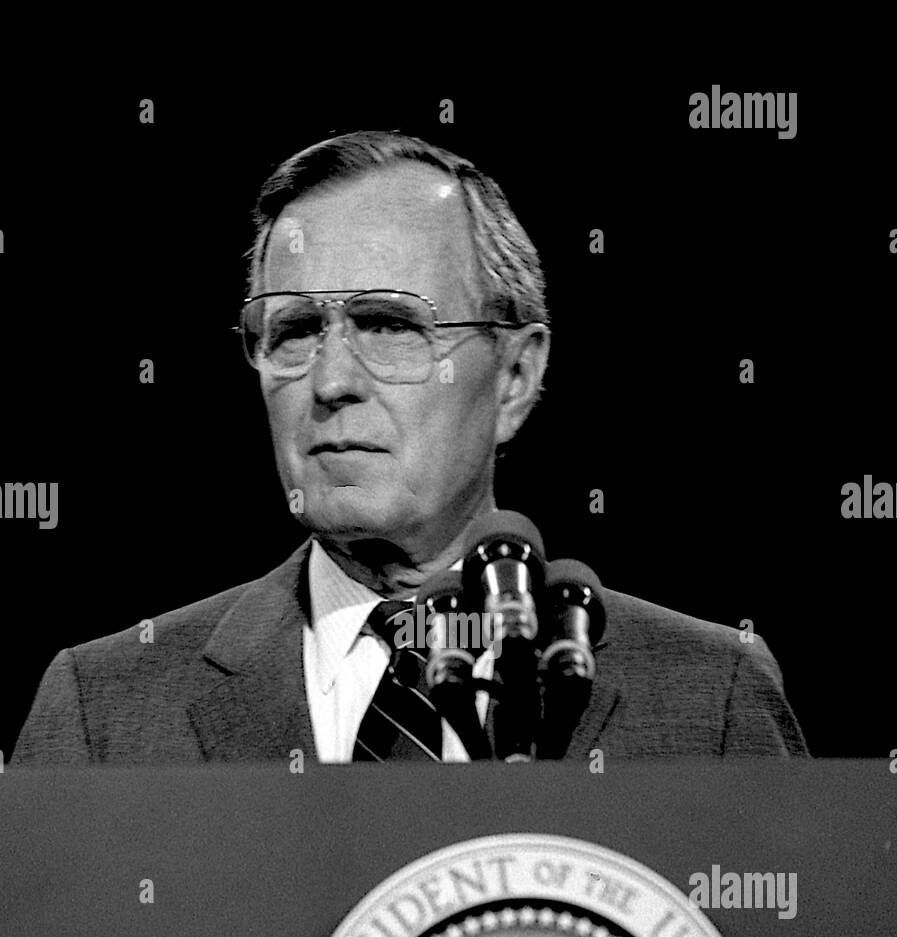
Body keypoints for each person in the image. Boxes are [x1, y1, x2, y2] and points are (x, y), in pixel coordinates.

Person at [12, 130, 807, 764]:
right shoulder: (105, 712)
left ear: (515, 377)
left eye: (388, 325)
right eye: (291, 331)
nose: (329, 382)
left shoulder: (708, 699)